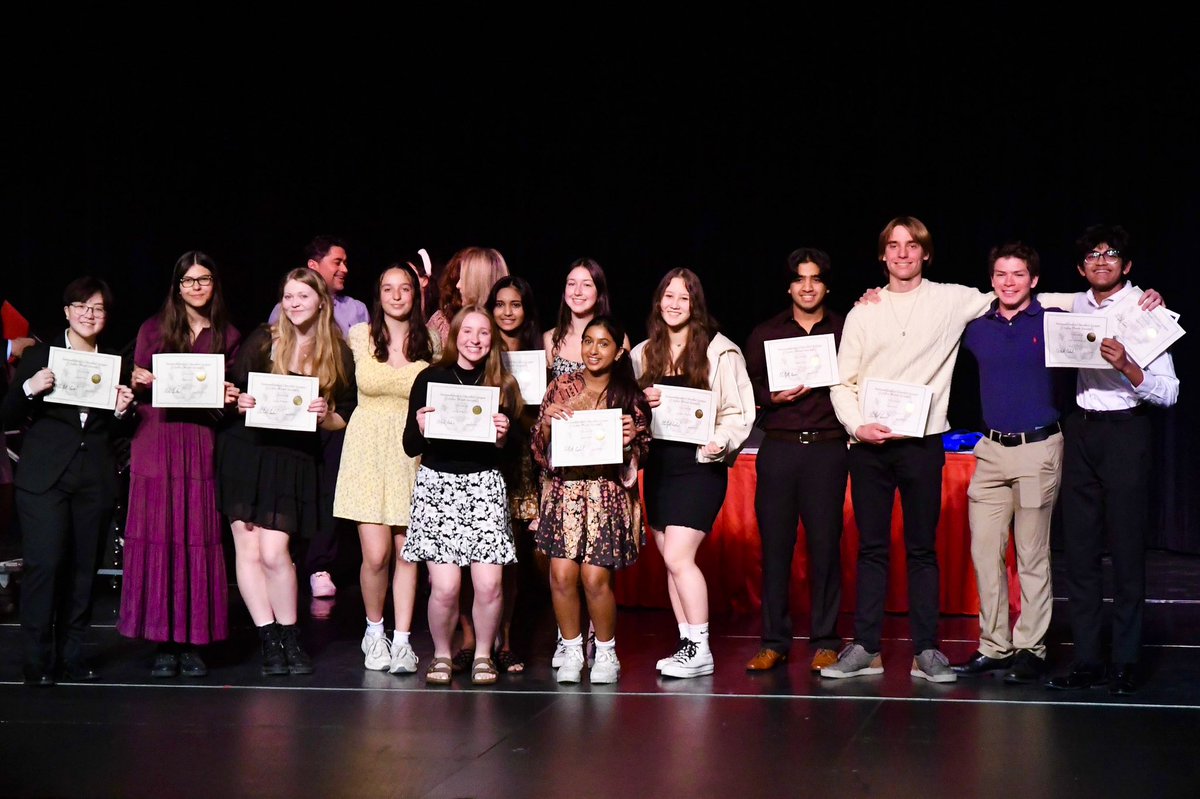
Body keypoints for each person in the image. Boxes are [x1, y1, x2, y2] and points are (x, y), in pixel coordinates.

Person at [824, 217, 999, 684]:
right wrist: (858, 426)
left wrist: (1122, 300)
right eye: (894, 246)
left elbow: (1013, 294)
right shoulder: (865, 311)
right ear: (883, 255)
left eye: (912, 245)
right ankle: (866, 647)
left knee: (923, 549)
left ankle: (927, 650)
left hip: (922, 445)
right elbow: (843, 381)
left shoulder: (950, 299)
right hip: (869, 446)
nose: (903, 253)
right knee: (872, 548)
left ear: (925, 253)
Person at [1046, 225, 1179, 696]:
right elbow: (1014, 293)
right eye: (1092, 255)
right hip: (1080, 430)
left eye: (1111, 254)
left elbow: (1169, 391)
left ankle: (1124, 660)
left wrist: (1128, 366)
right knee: (1079, 552)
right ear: (1082, 267)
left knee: (1125, 551)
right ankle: (1087, 658)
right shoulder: (1075, 304)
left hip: (1126, 432)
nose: (1101, 260)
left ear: (1126, 265)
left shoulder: (1148, 309)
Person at [218, 268, 356, 676]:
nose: (294, 304)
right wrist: (239, 400)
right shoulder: (264, 340)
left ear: (320, 301)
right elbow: (237, 391)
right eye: (288, 296)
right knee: (248, 547)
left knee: (276, 553)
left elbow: (344, 417)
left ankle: (291, 634)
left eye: (302, 296)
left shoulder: (338, 352)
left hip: (292, 457)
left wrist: (327, 414)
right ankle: (269, 637)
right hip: (247, 451)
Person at [2, 277, 134, 685]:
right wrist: (29, 387)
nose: (89, 315)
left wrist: (121, 411)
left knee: (82, 570)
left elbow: (119, 434)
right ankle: (37, 660)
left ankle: (72, 655)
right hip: (44, 477)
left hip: (93, 477)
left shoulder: (114, 359)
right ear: (66, 311)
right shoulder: (39, 355)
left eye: (97, 309)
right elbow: (6, 417)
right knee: (45, 566)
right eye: (81, 306)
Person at [948, 242, 1068, 684]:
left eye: (1018, 274)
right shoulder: (977, 326)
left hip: (1038, 449)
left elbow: (1100, 316)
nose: (1009, 282)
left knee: (1032, 554)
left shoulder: (1054, 321)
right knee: (985, 552)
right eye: (1001, 274)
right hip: (990, 450)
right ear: (992, 280)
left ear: (1034, 280)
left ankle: (1031, 648)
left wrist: (1147, 298)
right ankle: (994, 646)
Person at [119, 251, 242, 678]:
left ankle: (193, 641)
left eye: (203, 279)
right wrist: (136, 380)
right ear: (176, 286)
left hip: (199, 441)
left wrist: (229, 397)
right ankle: (161, 641)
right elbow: (133, 387)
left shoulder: (227, 334)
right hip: (156, 438)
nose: (196, 287)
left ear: (214, 284)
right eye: (188, 280)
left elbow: (229, 402)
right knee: (158, 535)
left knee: (196, 532)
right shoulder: (152, 330)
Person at [631, 268, 755, 678]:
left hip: (701, 465)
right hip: (661, 467)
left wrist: (722, 440)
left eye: (683, 298)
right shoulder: (644, 353)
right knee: (670, 559)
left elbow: (739, 412)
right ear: (658, 301)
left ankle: (701, 647)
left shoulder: (721, 351)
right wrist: (641, 405)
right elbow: (628, 415)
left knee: (680, 556)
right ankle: (687, 643)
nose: (674, 304)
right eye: (668, 296)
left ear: (695, 304)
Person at [401, 306, 521, 687]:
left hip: (484, 485)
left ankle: (484, 654)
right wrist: (421, 426)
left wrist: (503, 436)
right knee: (446, 587)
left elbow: (512, 451)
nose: (475, 339)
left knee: (488, 584)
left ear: (493, 339)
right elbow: (409, 445)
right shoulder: (430, 378)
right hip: (438, 486)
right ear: (454, 336)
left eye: (483, 333)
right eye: (467, 331)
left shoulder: (502, 383)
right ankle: (441, 653)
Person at [743, 248, 849, 673]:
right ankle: (774, 641)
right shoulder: (765, 333)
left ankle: (825, 640)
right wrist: (772, 396)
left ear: (826, 285)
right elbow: (746, 387)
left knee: (825, 548)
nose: (808, 286)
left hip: (827, 448)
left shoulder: (845, 329)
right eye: (800, 279)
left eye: (816, 279)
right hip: (780, 447)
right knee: (776, 548)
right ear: (788, 286)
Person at [534, 315, 651, 684]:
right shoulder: (561, 386)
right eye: (588, 341)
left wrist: (634, 439)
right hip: (565, 493)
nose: (593, 349)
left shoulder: (628, 394)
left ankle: (605, 651)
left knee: (595, 578)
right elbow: (538, 448)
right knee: (561, 573)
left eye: (603, 343)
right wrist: (548, 426)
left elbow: (645, 454)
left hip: (604, 495)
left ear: (618, 352)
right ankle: (570, 648)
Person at [334, 263, 433, 675]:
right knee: (375, 555)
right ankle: (375, 632)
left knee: (407, 553)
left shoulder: (434, 341)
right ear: (379, 295)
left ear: (415, 294)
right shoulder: (359, 336)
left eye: (404, 288)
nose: (396, 296)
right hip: (366, 447)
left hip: (412, 449)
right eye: (388, 288)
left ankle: (404, 641)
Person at [269, 236, 367, 604]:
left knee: (329, 487)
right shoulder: (282, 313)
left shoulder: (355, 310)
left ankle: (320, 565)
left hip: (331, 413)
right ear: (315, 265)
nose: (344, 269)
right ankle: (288, 559)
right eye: (336, 262)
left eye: (345, 262)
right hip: (289, 421)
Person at [487, 275, 544, 674]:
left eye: (516, 304)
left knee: (513, 561)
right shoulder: (480, 350)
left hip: (524, 463)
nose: (507, 312)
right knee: (479, 559)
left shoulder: (538, 356)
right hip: (486, 463)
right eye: (500, 304)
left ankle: (506, 641)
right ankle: (473, 642)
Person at [543, 258, 629, 379]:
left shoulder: (619, 338)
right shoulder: (550, 339)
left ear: (599, 292)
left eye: (587, 285)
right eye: (571, 284)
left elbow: (626, 389)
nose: (577, 292)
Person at [427, 247, 509, 349]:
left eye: (464, 279)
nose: (458, 285)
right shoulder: (444, 325)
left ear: (480, 284)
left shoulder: (512, 330)